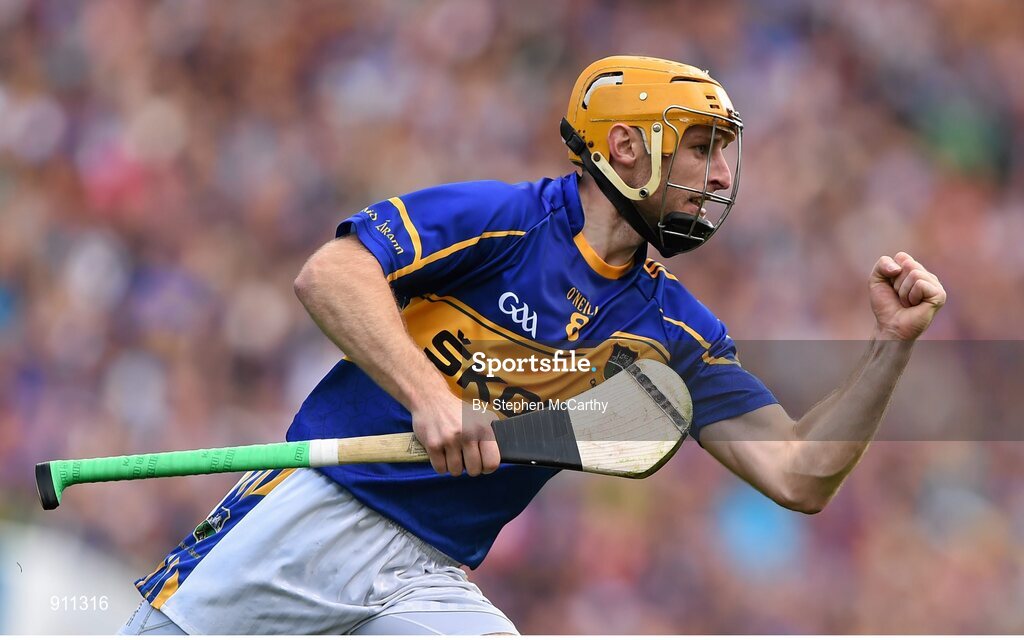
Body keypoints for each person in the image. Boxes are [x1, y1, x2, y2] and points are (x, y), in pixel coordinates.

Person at [119, 56, 945, 635]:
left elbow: (797, 472)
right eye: (701, 146)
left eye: (724, 152)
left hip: (424, 573)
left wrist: (891, 347)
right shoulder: (502, 219)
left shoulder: (675, 329)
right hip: (311, 515)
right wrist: (429, 394)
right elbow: (331, 273)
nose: (722, 175)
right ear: (626, 146)